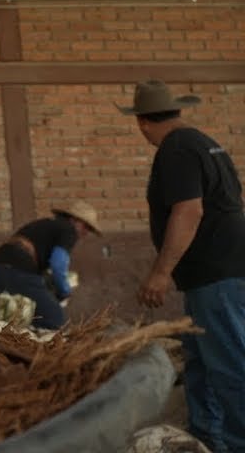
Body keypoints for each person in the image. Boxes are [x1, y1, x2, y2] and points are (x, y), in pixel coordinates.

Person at [120, 80, 245, 453]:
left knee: (228, 363)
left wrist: (160, 273)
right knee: (201, 360)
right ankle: (207, 437)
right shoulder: (205, 143)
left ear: (142, 122)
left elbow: (189, 210)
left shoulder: (175, 148)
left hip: (216, 272)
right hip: (216, 270)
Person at [0, 200, 101, 329]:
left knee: (19, 315)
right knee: (54, 318)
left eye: (90, 229)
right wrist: (64, 290)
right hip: (19, 269)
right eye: (86, 226)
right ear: (74, 220)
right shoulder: (69, 230)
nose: (86, 233)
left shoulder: (50, 226)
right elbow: (58, 264)